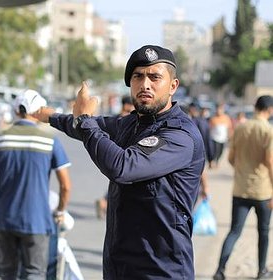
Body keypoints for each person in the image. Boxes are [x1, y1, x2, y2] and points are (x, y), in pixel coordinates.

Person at [33, 45, 205, 279]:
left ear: (173, 86)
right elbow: (86, 128)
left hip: (161, 270)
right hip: (119, 265)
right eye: (138, 76)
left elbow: (123, 167)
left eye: (155, 77)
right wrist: (50, 117)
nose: (145, 84)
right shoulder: (131, 124)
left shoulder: (179, 135)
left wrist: (84, 119)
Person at [0, 89, 72, 280]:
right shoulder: (50, 141)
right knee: (34, 274)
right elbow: (65, 186)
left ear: (16, 111)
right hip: (37, 220)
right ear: (37, 111)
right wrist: (60, 211)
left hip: (4, 219)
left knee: (7, 274)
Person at [212, 95, 273, 280]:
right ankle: (261, 270)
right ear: (269, 110)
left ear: (255, 107)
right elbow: (270, 161)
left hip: (240, 189)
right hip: (262, 190)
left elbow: (231, 158)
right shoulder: (268, 131)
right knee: (263, 232)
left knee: (234, 231)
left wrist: (242, 170)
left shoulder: (240, 127)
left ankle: (220, 270)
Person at [95, 95, 135, 219]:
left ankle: (105, 202)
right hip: (123, 157)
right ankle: (105, 202)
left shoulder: (115, 119)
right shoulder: (127, 120)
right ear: (127, 105)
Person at [208, 103, 233, 169]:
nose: (219, 111)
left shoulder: (226, 118)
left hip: (223, 138)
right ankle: (213, 162)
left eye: (221, 109)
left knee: (221, 152)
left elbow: (229, 128)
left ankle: (217, 161)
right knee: (215, 151)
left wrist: (230, 136)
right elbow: (210, 128)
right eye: (218, 109)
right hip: (215, 138)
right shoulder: (213, 118)